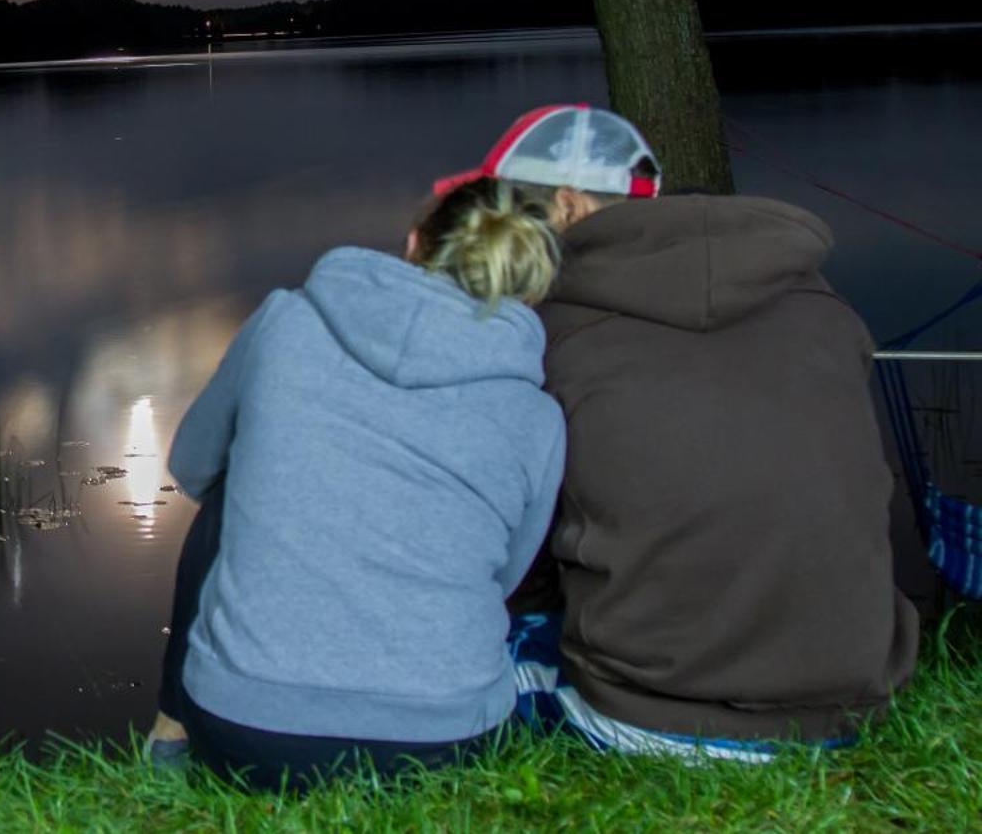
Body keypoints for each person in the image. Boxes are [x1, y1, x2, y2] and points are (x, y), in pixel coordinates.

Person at [451, 104, 918, 760]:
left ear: (567, 203)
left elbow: (519, 556)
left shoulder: (545, 336)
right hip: (850, 706)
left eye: (511, 210)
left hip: (650, 717)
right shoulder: (822, 305)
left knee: (477, 635)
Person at [148, 176, 568, 788]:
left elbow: (191, 467)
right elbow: (506, 575)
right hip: (446, 740)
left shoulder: (284, 324)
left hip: (249, 732)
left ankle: (172, 730)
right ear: (527, 289)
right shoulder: (537, 415)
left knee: (226, 488)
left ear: (414, 242)